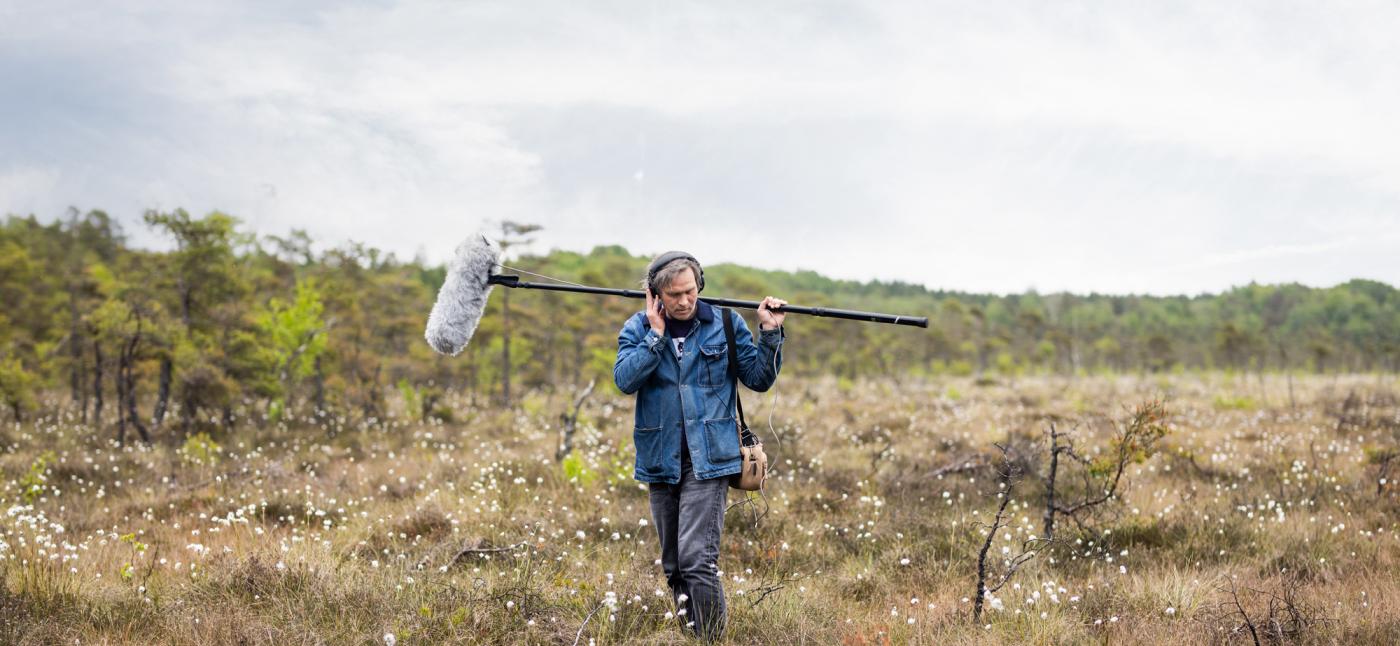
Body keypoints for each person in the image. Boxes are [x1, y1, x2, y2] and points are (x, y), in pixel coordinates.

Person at [613, 251, 786, 641]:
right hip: (661, 461)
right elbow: (624, 380)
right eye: (673, 294)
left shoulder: (726, 324)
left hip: (711, 461)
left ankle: (711, 640)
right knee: (674, 565)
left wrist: (770, 332)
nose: (684, 301)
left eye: (690, 291)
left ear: (700, 285)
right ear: (655, 294)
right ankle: (691, 635)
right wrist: (655, 336)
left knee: (696, 561)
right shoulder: (638, 329)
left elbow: (758, 378)